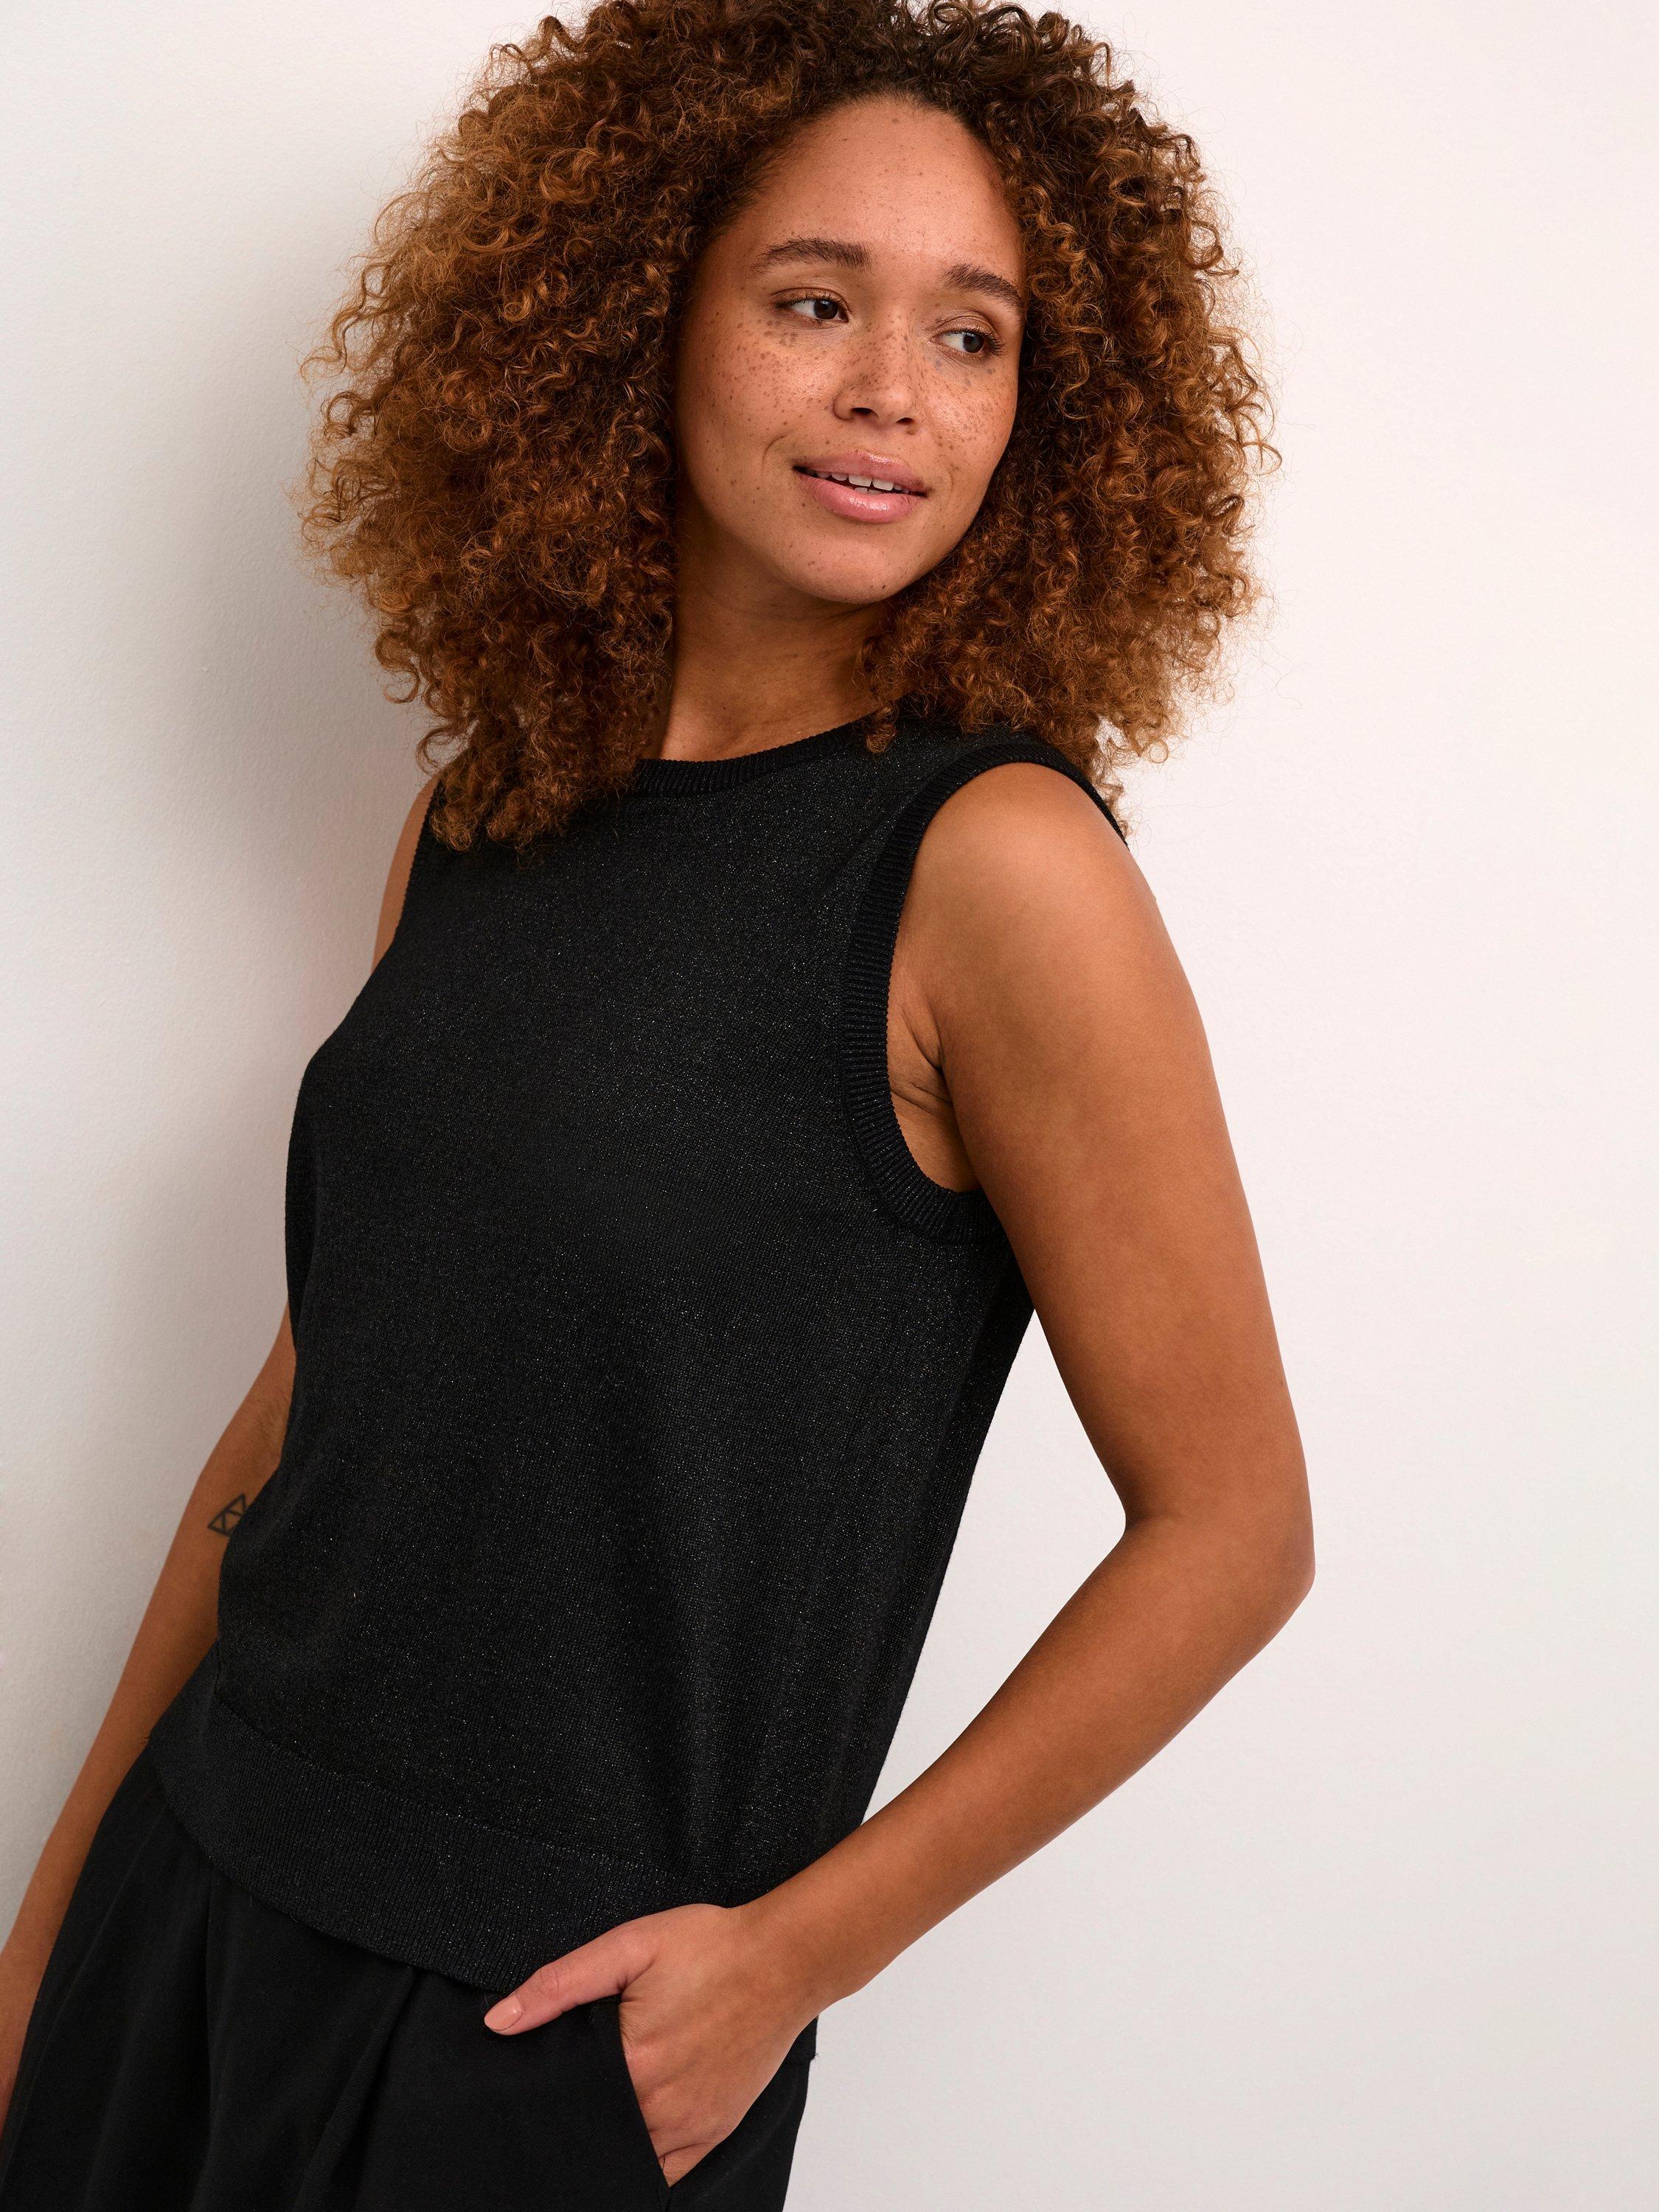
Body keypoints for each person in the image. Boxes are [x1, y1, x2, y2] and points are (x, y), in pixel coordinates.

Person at [0, 2, 1313, 2205]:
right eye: (813, 302)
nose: (892, 391)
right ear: (644, 324)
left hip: (543, 2044)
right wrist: (51, 1933)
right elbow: (311, 1409)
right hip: (195, 1898)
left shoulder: (992, 873)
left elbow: (1234, 1529)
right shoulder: (489, 811)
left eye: (972, 334)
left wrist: (796, 1960)